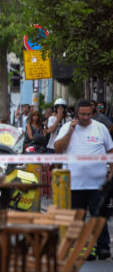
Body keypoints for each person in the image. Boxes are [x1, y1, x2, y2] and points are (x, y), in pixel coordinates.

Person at [54, 99, 113, 261]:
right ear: (76, 114)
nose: (86, 117)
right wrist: (70, 132)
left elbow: (110, 151)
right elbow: (58, 148)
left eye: (88, 114)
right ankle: (80, 247)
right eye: (82, 114)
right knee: (77, 218)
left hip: (97, 183)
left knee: (99, 216)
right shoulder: (67, 128)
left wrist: (111, 172)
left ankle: (102, 247)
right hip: (74, 183)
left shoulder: (100, 128)